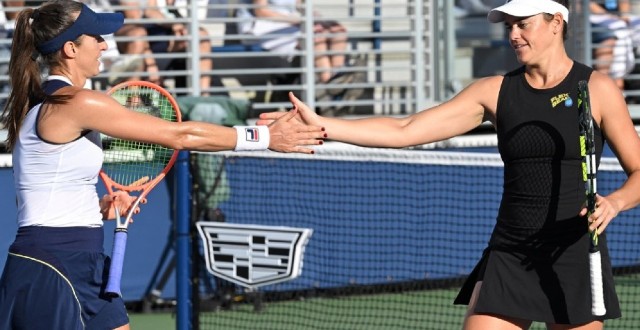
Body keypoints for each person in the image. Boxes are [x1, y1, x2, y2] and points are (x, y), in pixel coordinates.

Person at [258, 0, 640, 329]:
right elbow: (406, 129)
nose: (514, 35)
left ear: (556, 22)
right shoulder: (494, 91)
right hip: (511, 251)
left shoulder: (597, 89)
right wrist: (323, 125)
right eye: (510, 26)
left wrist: (615, 202)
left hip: (573, 250)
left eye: (523, 24)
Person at [0, 1, 325, 329]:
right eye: (96, 37)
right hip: (52, 265)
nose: (104, 45)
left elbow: (44, 191)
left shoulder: (46, 107)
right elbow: (180, 135)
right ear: (71, 48)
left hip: (83, 257)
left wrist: (97, 208)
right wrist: (265, 137)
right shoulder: (78, 102)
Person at [112, 0, 214, 93]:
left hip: (161, 33)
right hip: (135, 36)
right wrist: (150, 61)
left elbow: (152, 10)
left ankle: (203, 98)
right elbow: (137, 18)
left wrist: (179, 27)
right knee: (138, 35)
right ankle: (133, 100)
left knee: (201, 36)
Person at [236, 0, 348, 83]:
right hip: (262, 27)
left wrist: (314, 17)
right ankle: (329, 81)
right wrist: (298, 20)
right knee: (316, 35)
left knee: (337, 30)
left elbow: (299, 6)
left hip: (289, 22)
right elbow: (261, 11)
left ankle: (338, 75)